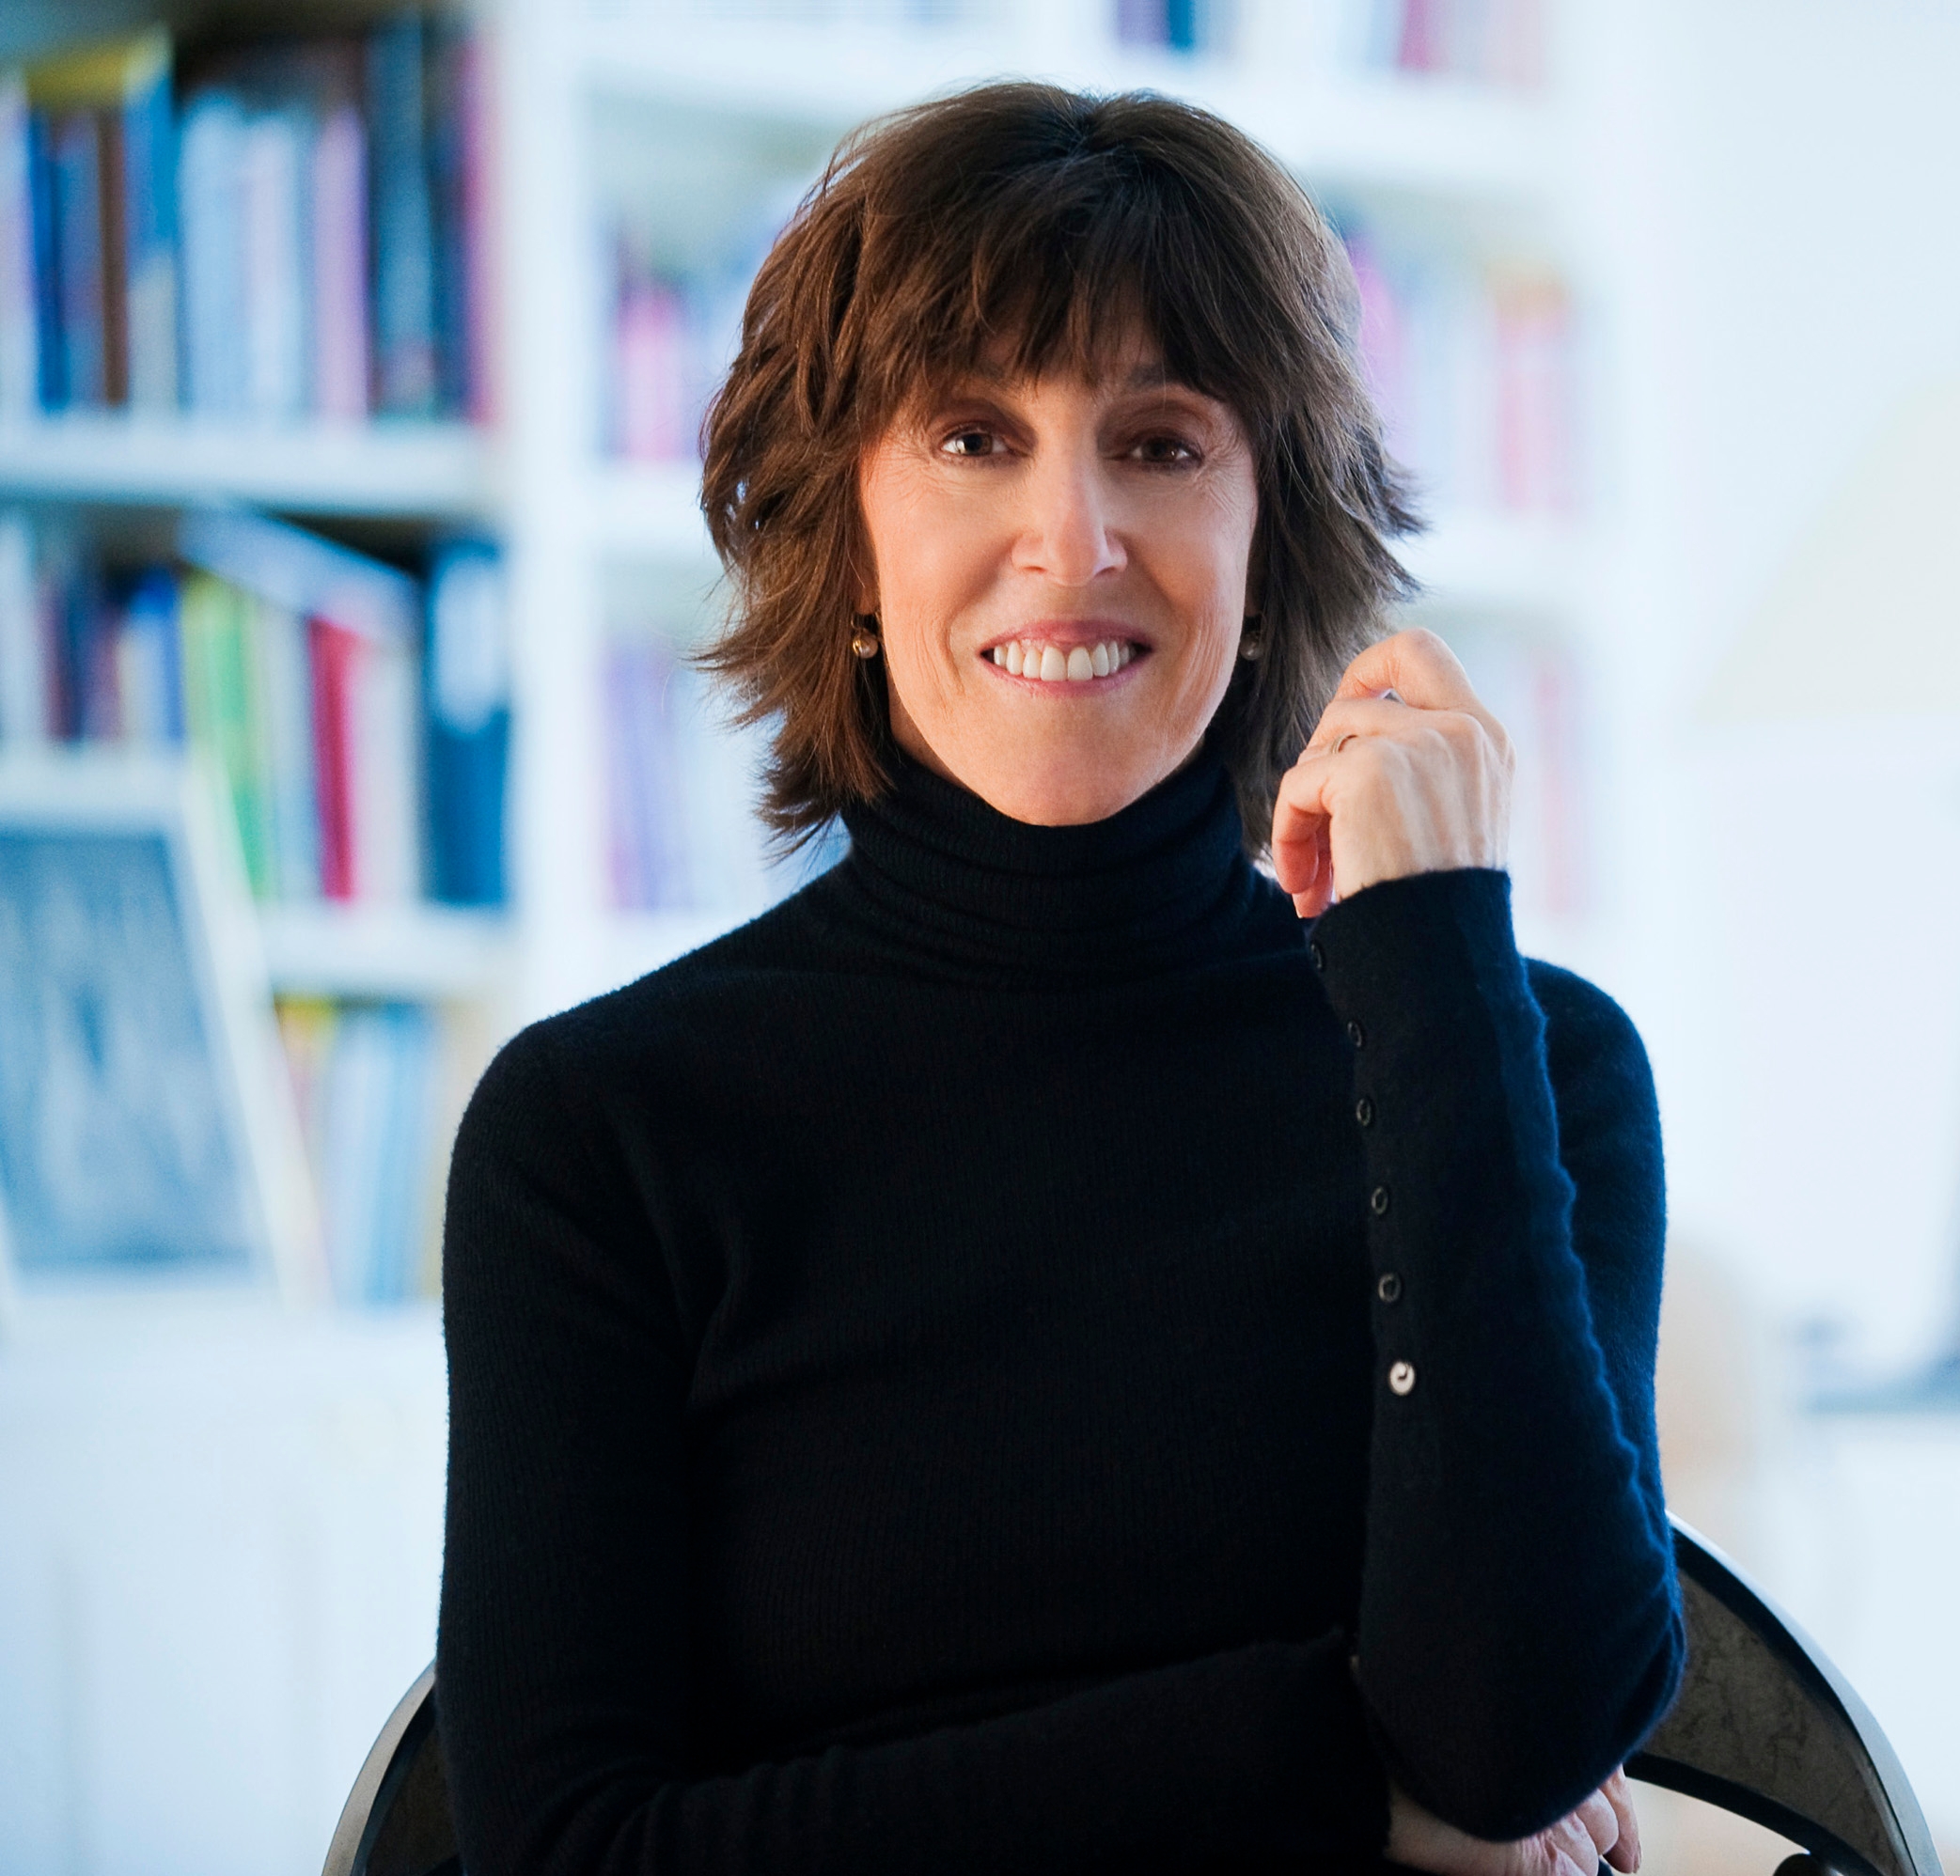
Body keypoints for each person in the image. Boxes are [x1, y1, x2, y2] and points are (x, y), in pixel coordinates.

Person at [436, 80, 1681, 1876]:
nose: (1074, 539)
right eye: (971, 437)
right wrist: (1324, 1765)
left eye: (1162, 445)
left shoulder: (1527, 1062)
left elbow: (1520, 1743)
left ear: (1269, 544)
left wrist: (1432, 964)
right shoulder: (600, 1132)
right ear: (848, 543)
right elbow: (568, 1856)